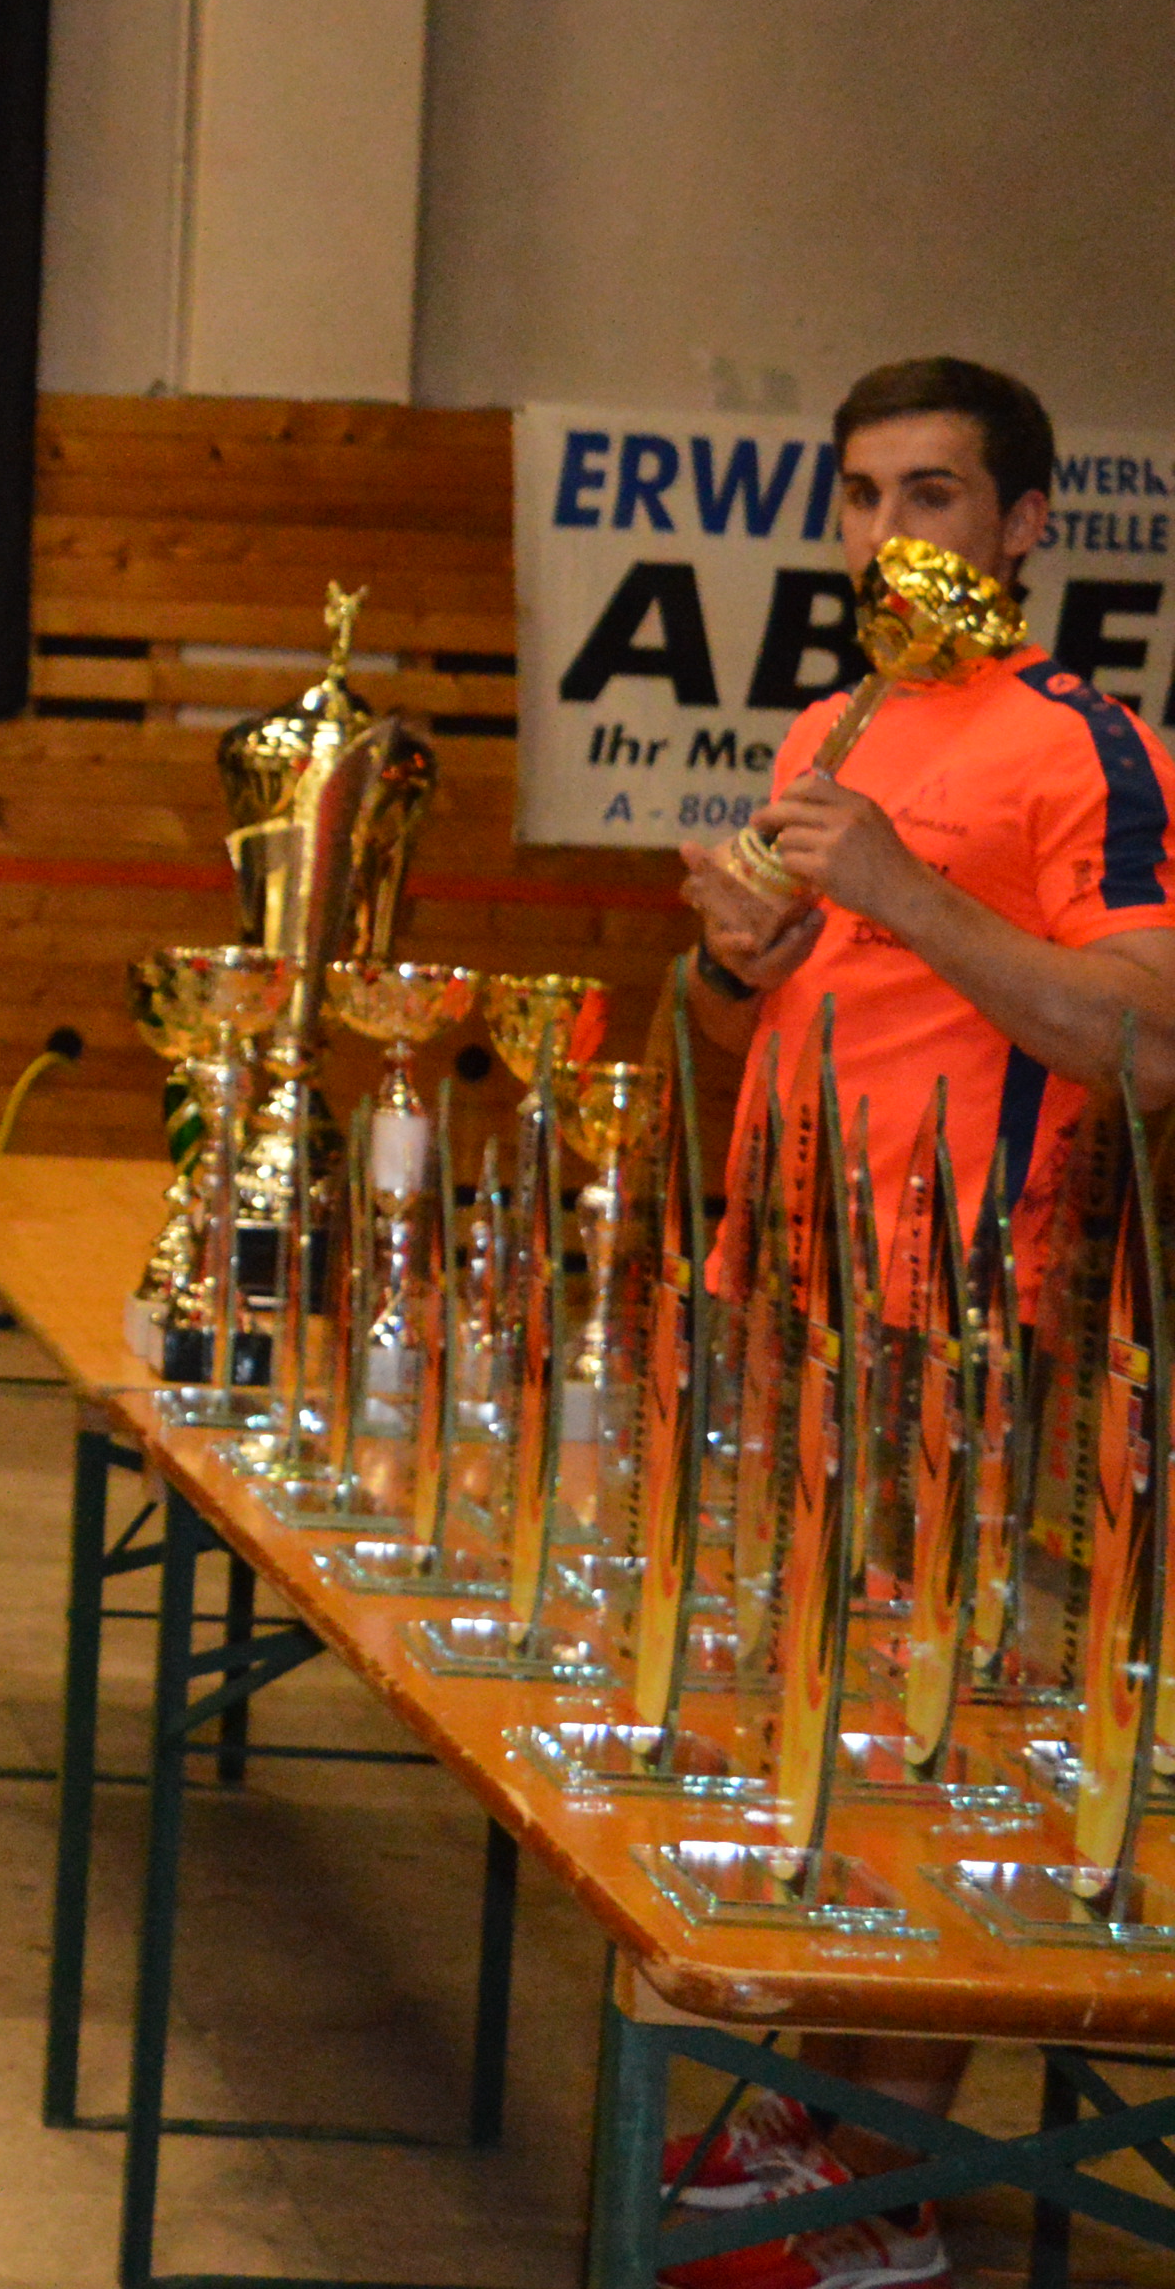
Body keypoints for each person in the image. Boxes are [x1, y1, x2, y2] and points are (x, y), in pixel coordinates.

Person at [660, 355, 1175, 2289]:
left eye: (934, 496)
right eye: (863, 497)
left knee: (942, 1735)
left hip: (973, 1319)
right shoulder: (832, 722)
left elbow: (1144, 1043)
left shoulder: (1092, 748)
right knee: (819, 1714)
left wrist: (899, 886)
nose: (890, 535)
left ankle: (891, 2191)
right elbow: (767, 1021)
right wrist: (735, 964)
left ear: (1026, 525)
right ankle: (816, 2113)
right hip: (787, 1295)